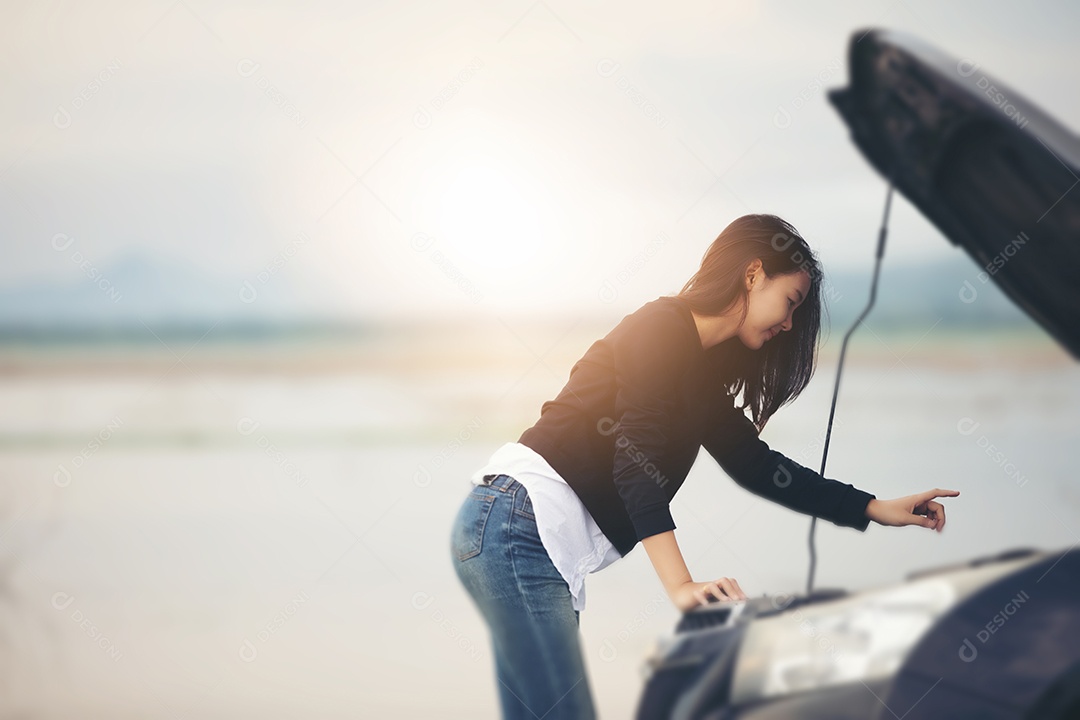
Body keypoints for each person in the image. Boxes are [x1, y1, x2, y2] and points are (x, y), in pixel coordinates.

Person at [448, 214, 959, 720]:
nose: (789, 324)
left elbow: (757, 466)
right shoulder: (661, 327)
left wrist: (873, 507)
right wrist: (681, 585)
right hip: (517, 523)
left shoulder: (697, 372)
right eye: (791, 302)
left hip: (517, 532)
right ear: (753, 274)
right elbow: (635, 463)